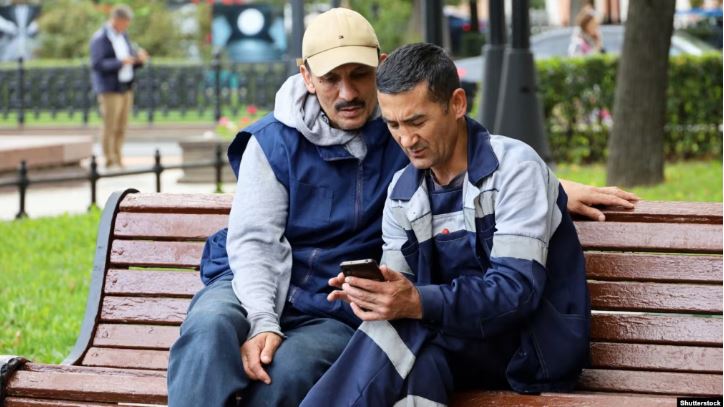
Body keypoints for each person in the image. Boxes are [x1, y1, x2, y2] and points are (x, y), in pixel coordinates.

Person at [167, 8, 637, 407]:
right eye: (330, 78)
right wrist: (263, 320)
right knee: (209, 330)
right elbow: (254, 243)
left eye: (359, 75)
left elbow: (475, 151)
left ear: (380, 66)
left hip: (348, 310)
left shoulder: (403, 137)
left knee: (296, 371)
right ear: (305, 75)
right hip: (256, 283)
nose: (348, 93)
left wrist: (556, 188)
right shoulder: (277, 144)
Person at [301, 43, 591, 406]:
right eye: (393, 125)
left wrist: (415, 301)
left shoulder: (516, 168)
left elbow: (515, 292)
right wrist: (375, 296)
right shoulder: (402, 192)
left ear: (457, 103)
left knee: (405, 326)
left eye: (417, 121)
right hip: (453, 341)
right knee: (420, 361)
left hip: (531, 350)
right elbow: (401, 291)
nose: (406, 140)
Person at [89, 4, 148, 168]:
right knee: (110, 125)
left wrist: (138, 60)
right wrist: (120, 62)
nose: (127, 25)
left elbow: (129, 57)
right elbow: (97, 64)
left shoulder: (123, 36)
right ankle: (109, 159)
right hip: (110, 88)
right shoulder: (100, 38)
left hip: (125, 86)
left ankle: (118, 157)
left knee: (122, 125)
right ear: (116, 20)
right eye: (125, 22)